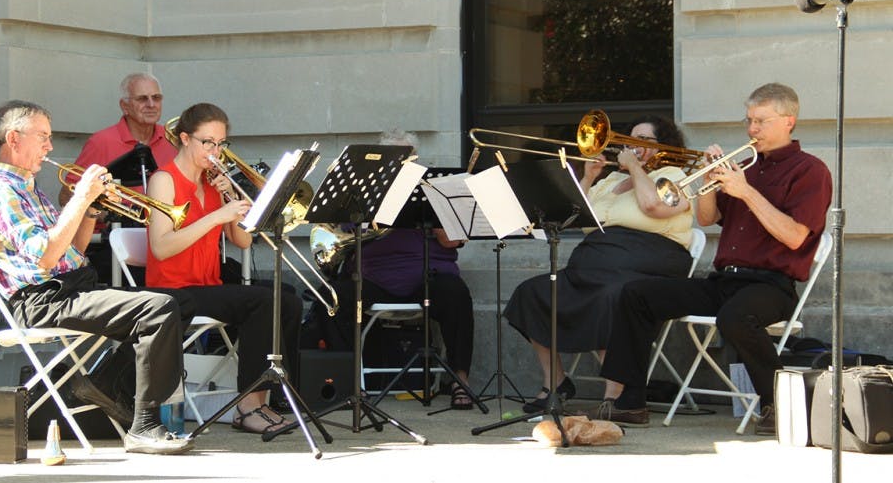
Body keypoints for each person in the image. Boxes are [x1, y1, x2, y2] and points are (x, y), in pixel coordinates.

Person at [595, 83, 832, 433]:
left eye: (761, 121)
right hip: (724, 281)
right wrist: (707, 180)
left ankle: (778, 406)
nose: (752, 129)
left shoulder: (810, 171)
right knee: (636, 294)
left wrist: (746, 192)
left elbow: (796, 236)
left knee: (735, 317)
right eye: (749, 120)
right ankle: (630, 402)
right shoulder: (745, 167)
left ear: (788, 121)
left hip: (771, 285)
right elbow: (707, 219)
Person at [0, 100, 194, 454]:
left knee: (176, 304)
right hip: (42, 300)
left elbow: (71, 250)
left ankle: (105, 386)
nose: (50, 146)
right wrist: (80, 197)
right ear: (14, 138)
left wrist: (90, 209)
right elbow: (45, 255)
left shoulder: (27, 187)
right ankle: (145, 424)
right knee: (158, 308)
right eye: (42, 136)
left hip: (69, 287)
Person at [504, 115, 694, 414]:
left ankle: (615, 396)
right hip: (593, 265)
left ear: (665, 147)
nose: (635, 147)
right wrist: (589, 177)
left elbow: (652, 206)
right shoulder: (613, 180)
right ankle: (555, 381)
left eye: (645, 142)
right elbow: (575, 216)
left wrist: (634, 167)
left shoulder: (676, 175)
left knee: (613, 299)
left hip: (647, 264)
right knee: (532, 293)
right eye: (632, 140)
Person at [144, 102, 303, 434]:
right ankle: (248, 407)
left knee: (287, 300)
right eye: (208, 142)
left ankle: (273, 400)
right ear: (185, 139)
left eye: (221, 144)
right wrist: (215, 217)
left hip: (207, 287)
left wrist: (231, 203)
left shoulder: (213, 183)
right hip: (173, 290)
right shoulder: (163, 180)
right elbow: (161, 246)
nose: (215, 151)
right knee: (262, 302)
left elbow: (242, 242)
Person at [326, 128, 477, 409]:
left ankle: (459, 380)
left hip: (428, 276)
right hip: (374, 276)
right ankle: (348, 382)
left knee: (455, 294)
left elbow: (453, 239)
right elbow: (346, 232)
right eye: (395, 159)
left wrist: (435, 216)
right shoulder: (363, 189)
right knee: (336, 298)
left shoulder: (434, 188)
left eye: (408, 158)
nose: (401, 164)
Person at [58, 73, 178, 284]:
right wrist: (98, 205)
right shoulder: (102, 142)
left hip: (164, 240)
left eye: (156, 98)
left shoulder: (173, 141)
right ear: (125, 106)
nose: (151, 104)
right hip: (113, 244)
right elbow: (66, 194)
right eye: (142, 99)